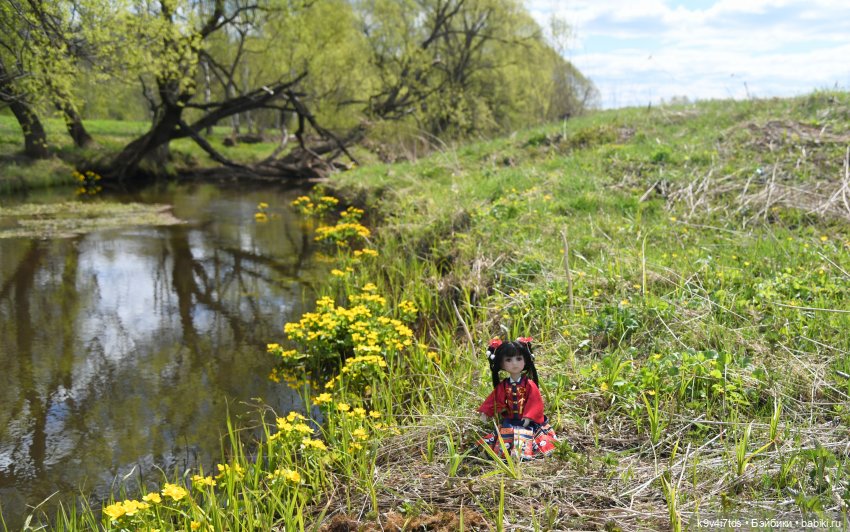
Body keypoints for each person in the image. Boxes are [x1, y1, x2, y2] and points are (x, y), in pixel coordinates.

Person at [477, 337, 557, 460]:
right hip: (510, 419)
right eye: (508, 360)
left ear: (525, 360)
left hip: (527, 421)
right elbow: (495, 398)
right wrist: (486, 412)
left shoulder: (528, 384)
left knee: (527, 434)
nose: (514, 363)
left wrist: (529, 416)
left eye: (519, 359)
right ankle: (507, 453)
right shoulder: (504, 385)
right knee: (505, 434)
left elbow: (535, 401)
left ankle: (522, 453)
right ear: (501, 364)